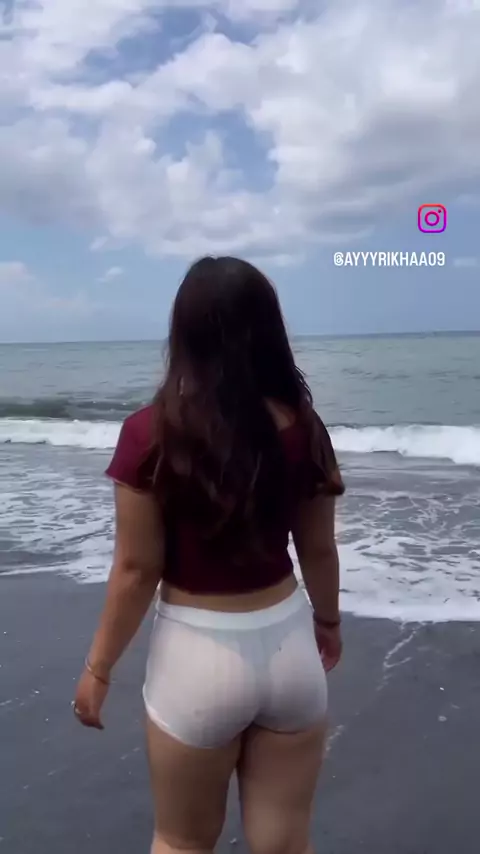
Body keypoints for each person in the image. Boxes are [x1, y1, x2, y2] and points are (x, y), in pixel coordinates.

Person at [73, 256, 345, 854]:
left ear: (184, 334)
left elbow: (136, 569)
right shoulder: (304, 427)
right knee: (284, 843)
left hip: (197, 658)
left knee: (181, 841)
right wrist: (328, 621)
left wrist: (99, 669)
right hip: (289, 650)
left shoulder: (149, 433)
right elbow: (319, 548)